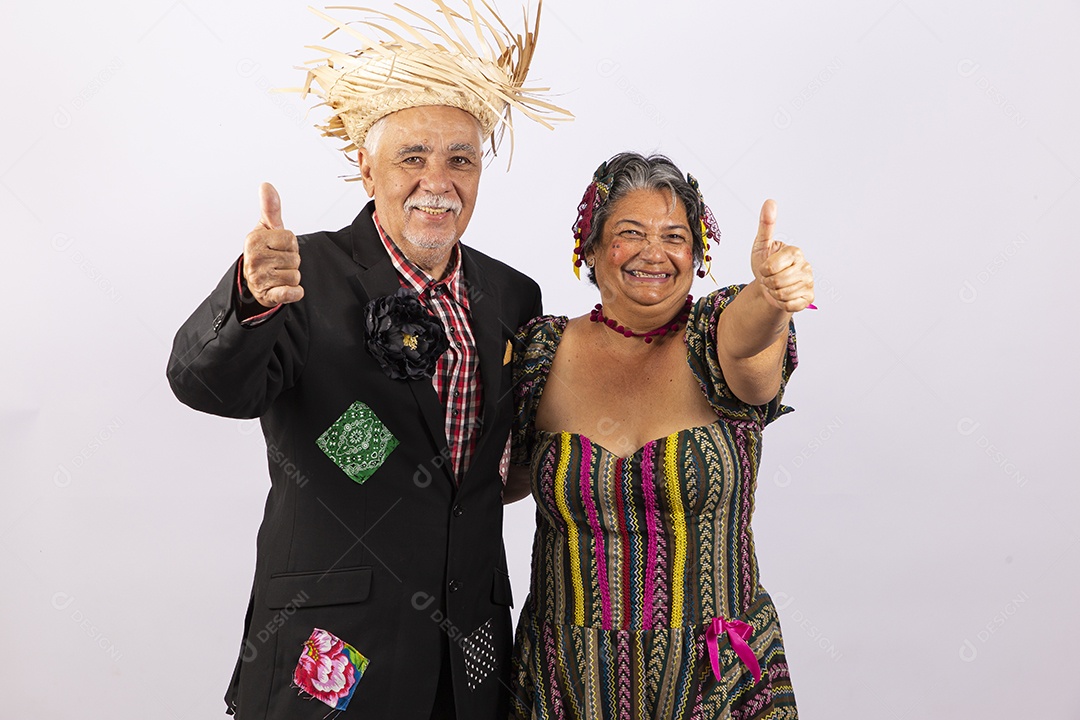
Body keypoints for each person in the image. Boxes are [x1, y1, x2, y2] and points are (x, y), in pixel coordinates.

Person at [166, 2, 569, 718]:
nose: (436, 181)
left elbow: (490, 469)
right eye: (412, 158)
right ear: (366, 166)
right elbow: (204, 384)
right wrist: (249, 298)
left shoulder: (511, 293)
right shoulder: (304, 272)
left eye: (460, 160)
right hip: (334, 646)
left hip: (469, 653)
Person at [505, 152, 813, 719]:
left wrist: (769, 299)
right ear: (591, 249)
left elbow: (750, 350)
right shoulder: (540, 356)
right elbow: (496, 484)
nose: (655, 252)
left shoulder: (714, 339)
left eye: (675, 236)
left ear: (696, 256)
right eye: (630, 233)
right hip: (565, 679)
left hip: (714, 674)